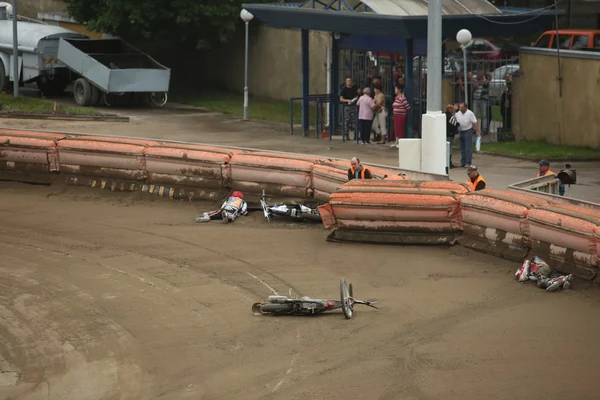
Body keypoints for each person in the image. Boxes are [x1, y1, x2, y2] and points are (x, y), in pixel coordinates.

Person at [454, 102, 480, 168]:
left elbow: (475, 122)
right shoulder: (458, 113)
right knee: (462, 148)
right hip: (461, 131)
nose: (460, 109)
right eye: (460, 107)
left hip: (468, 131)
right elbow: (453, 117)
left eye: (462, 107)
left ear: (465, 107)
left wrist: (477, 131)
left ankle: (468, 162)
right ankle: (463, 162)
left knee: (468, 148)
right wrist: (454, 109)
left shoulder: (470, 113)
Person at [445, 104, 459, 169]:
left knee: (446, 149)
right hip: (450, 135)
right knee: (449, 150)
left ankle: (446, 163)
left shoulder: (444, 115)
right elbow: (455, 124)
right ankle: (449, 163)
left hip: (445, 134)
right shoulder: (451, 117)